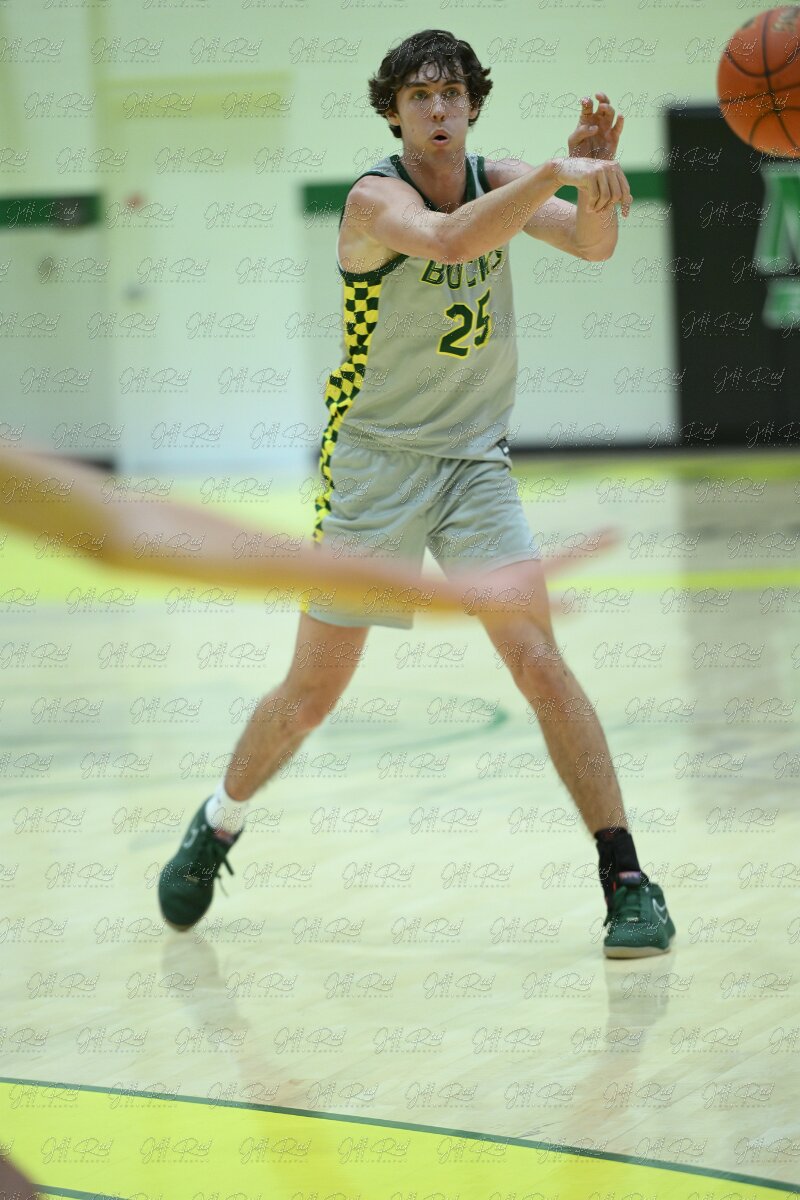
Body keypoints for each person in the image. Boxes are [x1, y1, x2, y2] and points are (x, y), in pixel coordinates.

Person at [158, 29, 675, 958]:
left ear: (472, 105)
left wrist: (596, 189)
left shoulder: (499, 177)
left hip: (474, 463)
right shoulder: (374, 199)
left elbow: (591, 247)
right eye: (418, 97)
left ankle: (627, 878)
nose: (437, 110)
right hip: (375, 466)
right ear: (393, 113)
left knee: (539, 662)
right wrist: (554, 172)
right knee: (312, 694)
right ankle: (219, 820)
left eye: (451, 95)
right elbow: (447, 239)